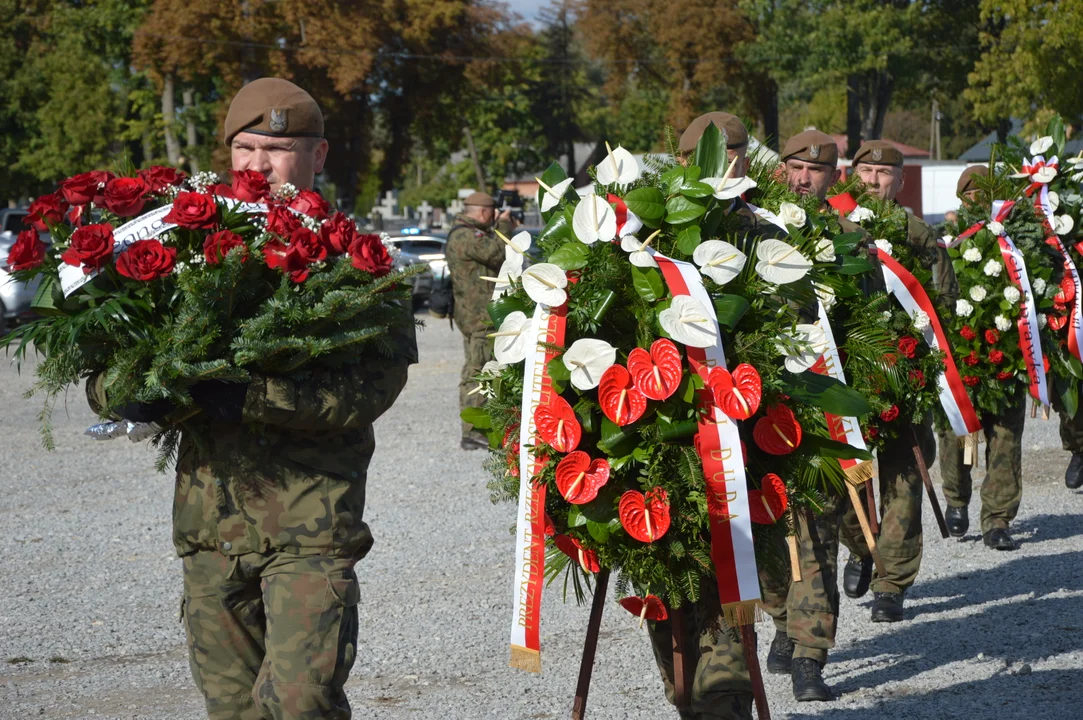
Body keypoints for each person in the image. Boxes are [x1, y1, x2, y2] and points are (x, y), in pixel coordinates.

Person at [88, 77, 418, 720]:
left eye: (277, 147)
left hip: (310, 531)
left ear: (318, 157)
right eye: (244, 148)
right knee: (232, 709)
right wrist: (140, 394)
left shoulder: (359, 265)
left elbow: (371, 390)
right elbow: (104, 377)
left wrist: (250, 396)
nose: (258, 165)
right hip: (209, 530)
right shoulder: (187, 255)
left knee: (299, 706)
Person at [642, 112, 782, 720]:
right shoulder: (646, 234)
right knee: (677, 662)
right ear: (682, 162)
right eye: (708, 155)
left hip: (741, 464)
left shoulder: (769, 236)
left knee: (725, 667)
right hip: (663, 464)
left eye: (733, 155)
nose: (723, 166)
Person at [759, 129, 874, 701]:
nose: (805, 178)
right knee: (768, 530)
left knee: (817, 536)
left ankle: (810, 656)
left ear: (834, 178)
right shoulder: (751, 228)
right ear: (781, 169)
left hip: (823, 414)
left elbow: (873, 323)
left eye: (817, 170)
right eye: (796, 167)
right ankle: (781, 620)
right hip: (759, 409)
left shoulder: (852, 239)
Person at [839, 140, 952, 624]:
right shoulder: (829, 228)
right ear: (852, 174)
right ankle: (860, 544)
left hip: (904, 375)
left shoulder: (921, 238)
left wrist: (925, 364)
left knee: (904, 477)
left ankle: (892, 583)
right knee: (842, 482)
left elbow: (943, 304)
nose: (873, 180)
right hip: (845, 376)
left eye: (885, 173)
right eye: (866, 171)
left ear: (901, 182)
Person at [444, 192, 518, 450]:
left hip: (476, 316)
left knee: (481, 369)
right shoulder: (465, 236)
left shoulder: (467, 233)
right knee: (477, 372)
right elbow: (498, 253)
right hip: (479, 318)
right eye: (493, 212)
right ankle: (473, 431)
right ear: (484, 212)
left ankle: (479, 429)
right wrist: (505, 226)